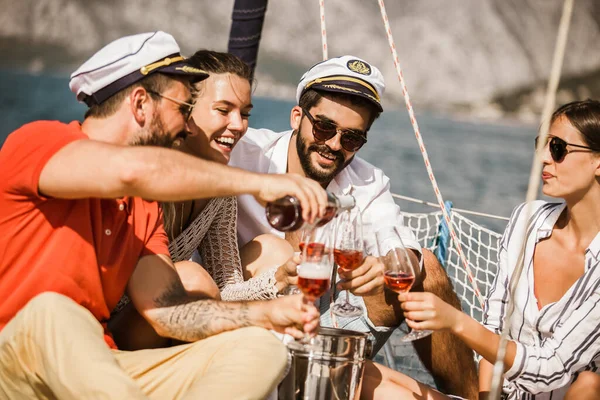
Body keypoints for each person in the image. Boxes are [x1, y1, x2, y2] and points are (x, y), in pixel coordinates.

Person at [0, 31, 328, 399]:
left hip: (104, 367)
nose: (187, 126)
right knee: (54, 312)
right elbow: (133, 170)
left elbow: (168, 310)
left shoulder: (142, 205)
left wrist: (264, 315)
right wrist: (258, 184)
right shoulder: (39, 143)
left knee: (260, 349)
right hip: (15, 355)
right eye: (182, 109)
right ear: (141, 104)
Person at [229, 55, 479, 398]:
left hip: (327, 325)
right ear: (297, 116)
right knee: (271, 249)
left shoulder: (367, 182)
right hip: (253, 318)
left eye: (351, 139)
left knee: (429, 271)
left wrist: (386, 265)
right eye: (324, 127)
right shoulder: (243, 152)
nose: (334, 145)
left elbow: (404, 249)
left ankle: (474, 394)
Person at [367, 99, 600, 399]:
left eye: (557, 148)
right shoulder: (526, 220)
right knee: (358, 373)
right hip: (493, 395)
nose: (543, 157)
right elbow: (495, 325)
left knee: (590, 385)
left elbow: (552, 368)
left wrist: (454, 320)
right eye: (541, 144)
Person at [110, 49, 292, 350]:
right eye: (224, 110)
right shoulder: (147, 171)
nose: (238, 125)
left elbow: (226, 289)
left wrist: (280, 278)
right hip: (119, 323)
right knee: (189, 278)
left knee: (272, 249)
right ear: (186, 111)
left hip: (183, 312)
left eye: (245, 114)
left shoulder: (220, 193)